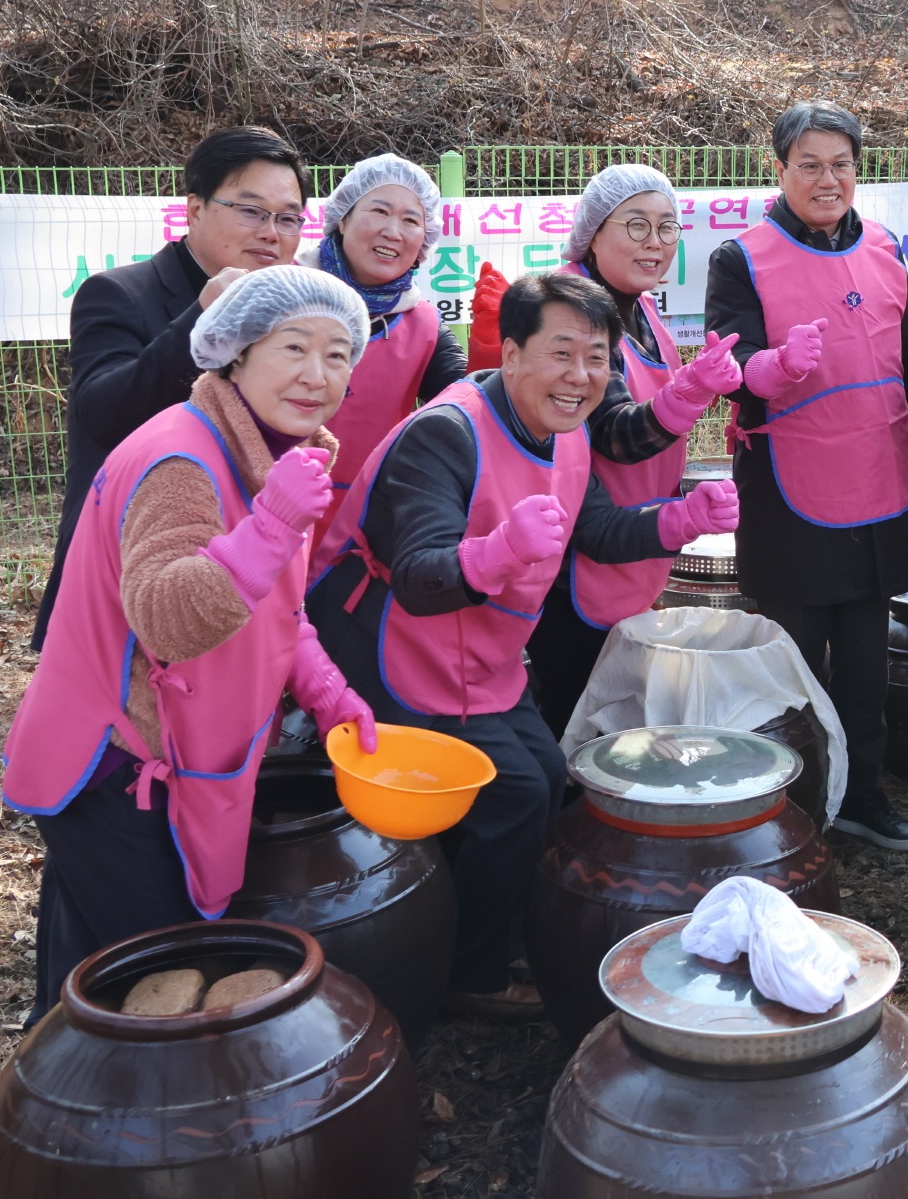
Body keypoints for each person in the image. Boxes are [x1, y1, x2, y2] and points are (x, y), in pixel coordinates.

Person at [309, 273, 736, 1017]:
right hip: (389, 647)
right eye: (560, 353)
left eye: (597, 359)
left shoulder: (566, 433)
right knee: (505, 795)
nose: (580, 377)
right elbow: (417, 576)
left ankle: (494, 938)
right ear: (509, 354)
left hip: (483, 653)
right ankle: (464, 975)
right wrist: (498, 551)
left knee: (543, 773)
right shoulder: (446, 434)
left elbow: (594, 529)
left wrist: (681, 518)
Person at [4, 267, 375, 1019]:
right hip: (114, 766)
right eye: (293, 347)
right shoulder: (181, 459)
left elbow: (279, 612)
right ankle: (116, 1127)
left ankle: (72, 1106)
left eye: (339, 355)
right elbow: (168, 619)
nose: (317, 374)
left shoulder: (278, 455)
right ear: (234, 354)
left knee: (90, 966)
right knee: (153, 981)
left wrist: (331, 697)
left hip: (178, 755)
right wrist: (271, 525)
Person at [704, 101, 908, 852]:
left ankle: (862, 792)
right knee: (791, 664)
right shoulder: (742, 257)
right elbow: (729, 372)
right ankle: (790, 808)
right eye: (809, 164)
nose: (827, 179)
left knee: (866, 655)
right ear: (779, 170)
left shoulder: (887, 249)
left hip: (876, 477)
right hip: (789, 487)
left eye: (840, 164)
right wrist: (770, 368)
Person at [36, 126, 312, 649]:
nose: (271, 232)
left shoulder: (286, 315)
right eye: (251, 210)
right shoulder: (119, 293)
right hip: (129, 565)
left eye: (288, 217)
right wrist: (203, 316)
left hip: (242, 566)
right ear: (194, 209)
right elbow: (104, 415)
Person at [524, 165, 742, 738]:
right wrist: (692, 390)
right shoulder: (576, 310)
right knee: (571, 709)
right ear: (594, 232)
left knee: (609, 710)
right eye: (637, 226)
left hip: (636, 538)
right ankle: (564, 822)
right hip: (580, 544)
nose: (655, 243)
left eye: (668, 228)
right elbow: (616, 438)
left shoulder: (639, 306)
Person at [297, 153, 467, 537]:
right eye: (379, 211)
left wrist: (492, 356)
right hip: (265, 512)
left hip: (361, 530)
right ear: (342, 217)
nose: (394, 231)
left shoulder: (422, 323)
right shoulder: (285, 290)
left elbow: (468, 408)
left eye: (411, 220)